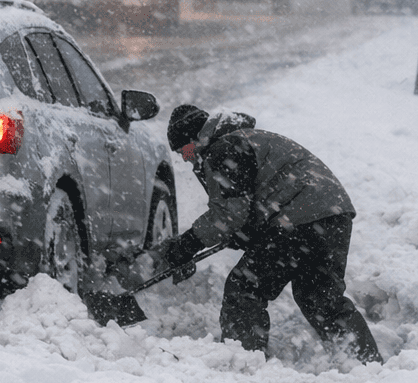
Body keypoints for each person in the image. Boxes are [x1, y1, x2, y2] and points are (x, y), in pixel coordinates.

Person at [129, 104, 383, 365]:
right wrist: (246, 233)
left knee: (245, 288)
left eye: (182, 150)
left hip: (297, 218)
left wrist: (186, 245)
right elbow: (249, 205)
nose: (183, 158)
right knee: (320, 298)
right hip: (331, 215)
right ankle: (365, 363)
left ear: (193, 138)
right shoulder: (243, 140)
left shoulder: (222, 149)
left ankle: (244, 363)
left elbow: (228, 214)